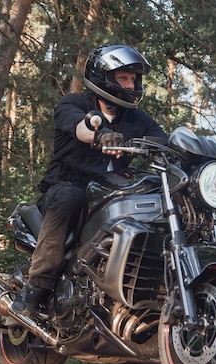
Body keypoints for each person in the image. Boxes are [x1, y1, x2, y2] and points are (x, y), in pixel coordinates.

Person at [12, 44, 167, 317]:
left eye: (133, 79)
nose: (130, 85)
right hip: (64, 193)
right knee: (72, 196)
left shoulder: (138, 119)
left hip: (106, 198)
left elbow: (164, 141)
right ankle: (34, 289)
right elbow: (79, 126)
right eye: (123, 78)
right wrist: (99, 135)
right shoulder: (74, 104)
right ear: (103, 77)